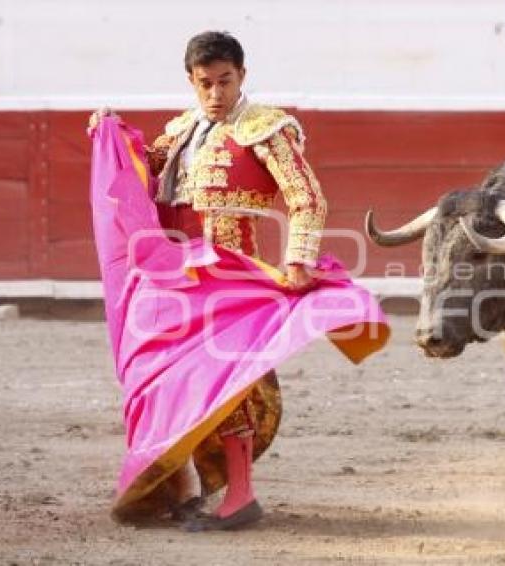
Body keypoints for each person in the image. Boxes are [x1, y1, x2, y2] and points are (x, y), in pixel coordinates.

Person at [89, 31, 327, 531]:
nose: (216, 94)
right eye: (205, 84)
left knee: (225, 386)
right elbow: (139, 179)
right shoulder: (177, 132)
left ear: (242, 76)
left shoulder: (267, 128)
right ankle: (182, 493)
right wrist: (108, 134)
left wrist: (299, 259)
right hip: (172, 278)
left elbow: (306, 199)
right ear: (191, 82)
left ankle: (240, 497)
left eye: (225, 81)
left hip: (229, 278)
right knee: (173, 385)